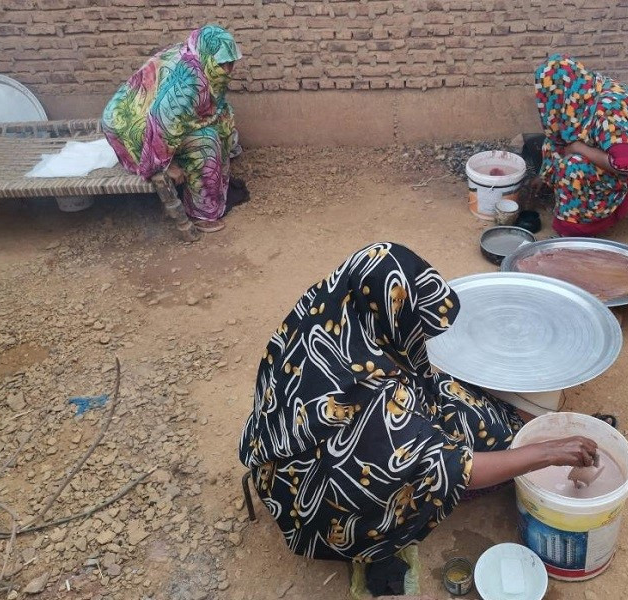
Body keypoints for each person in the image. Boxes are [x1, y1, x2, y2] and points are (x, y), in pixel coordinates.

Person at [238, 242, 599, 564]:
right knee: (490, 456)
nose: (422, 337)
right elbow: (454, 470)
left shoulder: (324, 314)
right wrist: (548, 452)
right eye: (417, 326)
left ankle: (506, 430)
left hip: (283, 466)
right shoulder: (377, 400)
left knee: (456, 398)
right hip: (323, 510)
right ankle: (373, 541)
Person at [102, 25, 245, 233]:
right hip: (127, 124)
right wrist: (164, 166)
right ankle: (201, 213)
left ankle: (210, 185)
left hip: (147, 114)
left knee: (221, 120)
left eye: (231, 62)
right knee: (206, 142)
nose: (228, 70)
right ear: (209, 57)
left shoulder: (199, 56)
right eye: (223, 64)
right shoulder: (190, 80)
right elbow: (160, 121)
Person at [533, 54, 628, 237]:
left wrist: (579, 148)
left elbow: (626, 165)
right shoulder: (585, 92)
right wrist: (543, 175)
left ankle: (577, 228)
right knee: (556, 140)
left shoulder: (608, 110)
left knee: (572, 166)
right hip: (618, 152)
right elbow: (558, 138)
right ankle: (571, 197)